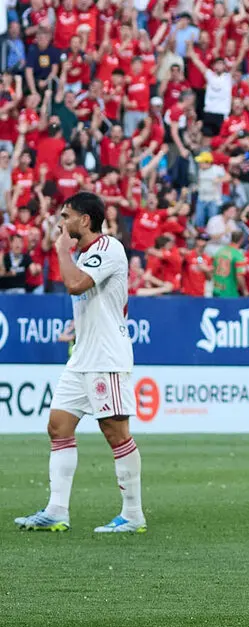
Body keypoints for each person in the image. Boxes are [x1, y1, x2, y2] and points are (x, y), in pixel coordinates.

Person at [15, 192, 146, 534]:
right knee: (58, 426)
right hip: (83, 357)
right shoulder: (87, 254)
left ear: (85, 220)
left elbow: (75, 285)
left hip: (106, 357)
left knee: (115, 433)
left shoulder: (108, 249)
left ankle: (133, 515)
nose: (61, 222)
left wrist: (60, 250)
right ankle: (57, 510)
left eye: (66, 216)